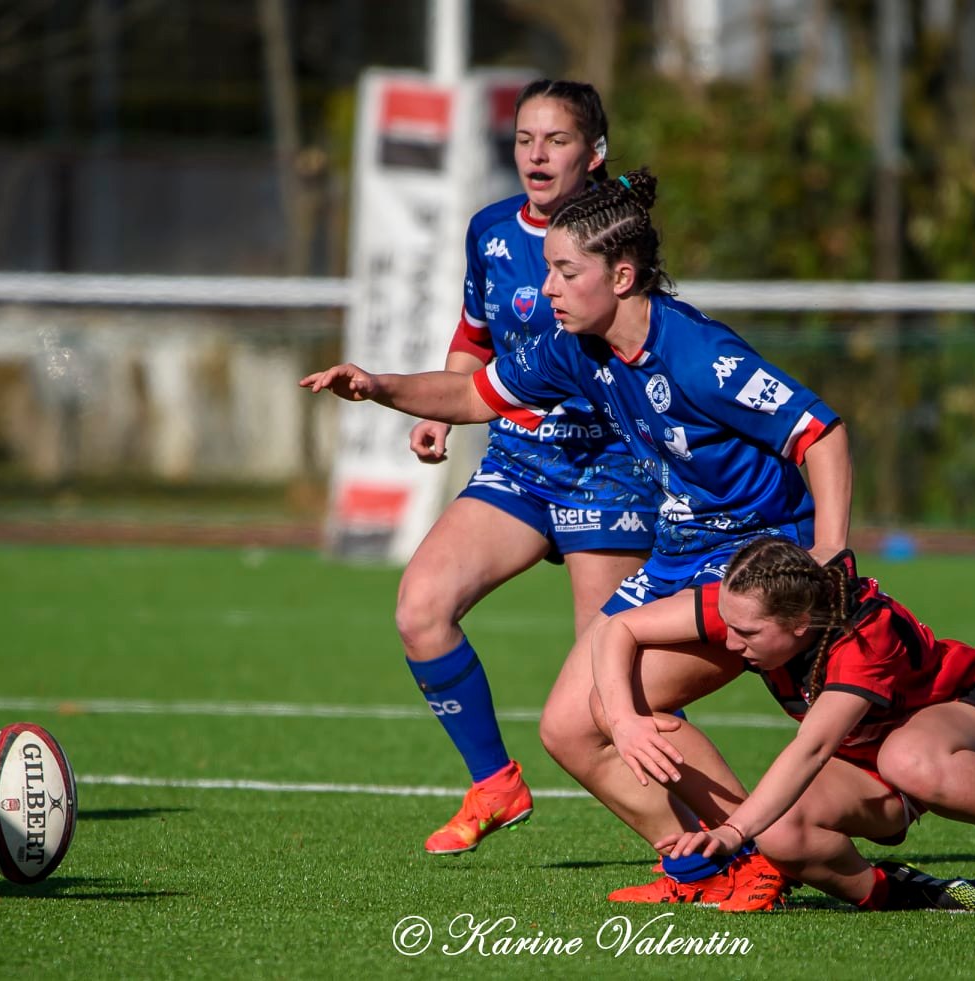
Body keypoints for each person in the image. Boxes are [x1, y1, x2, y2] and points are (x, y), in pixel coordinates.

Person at [303, 168, 851, 910]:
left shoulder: (695, 355)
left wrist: (827, 552)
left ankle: (750, 857)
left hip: (750, 561)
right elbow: (473, 393)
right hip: (679, 551)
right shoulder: (576, 347)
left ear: (621, 275)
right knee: (567, 726)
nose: (548, 286)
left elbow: (819, 432)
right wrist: (378, 386)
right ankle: (696, 864)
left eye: (565, 270)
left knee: (618, 703)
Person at [390, 80, 660, 856]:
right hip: (519, 458)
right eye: (523, 140)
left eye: (557, 140)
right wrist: (441, 406)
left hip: (606, 466)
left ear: (594, 154)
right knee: (420, 607)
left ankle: (701, 845)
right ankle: (492, 782)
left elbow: (644, 344)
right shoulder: (490, 230)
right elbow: (474, 333)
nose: (536, 155)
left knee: (606, 691)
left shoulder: (618, 232)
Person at [594, 535, 975, 920]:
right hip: (870, 753)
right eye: (727, 624)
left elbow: (813, 747)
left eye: (746, 632)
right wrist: (624, 720)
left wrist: (731, 831)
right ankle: (900, 893)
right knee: (778, 831)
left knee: (906, 758)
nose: (729, 643)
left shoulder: (864, 641)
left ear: (799, 625)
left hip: (964, 718)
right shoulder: (751, 606)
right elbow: (619, 627)